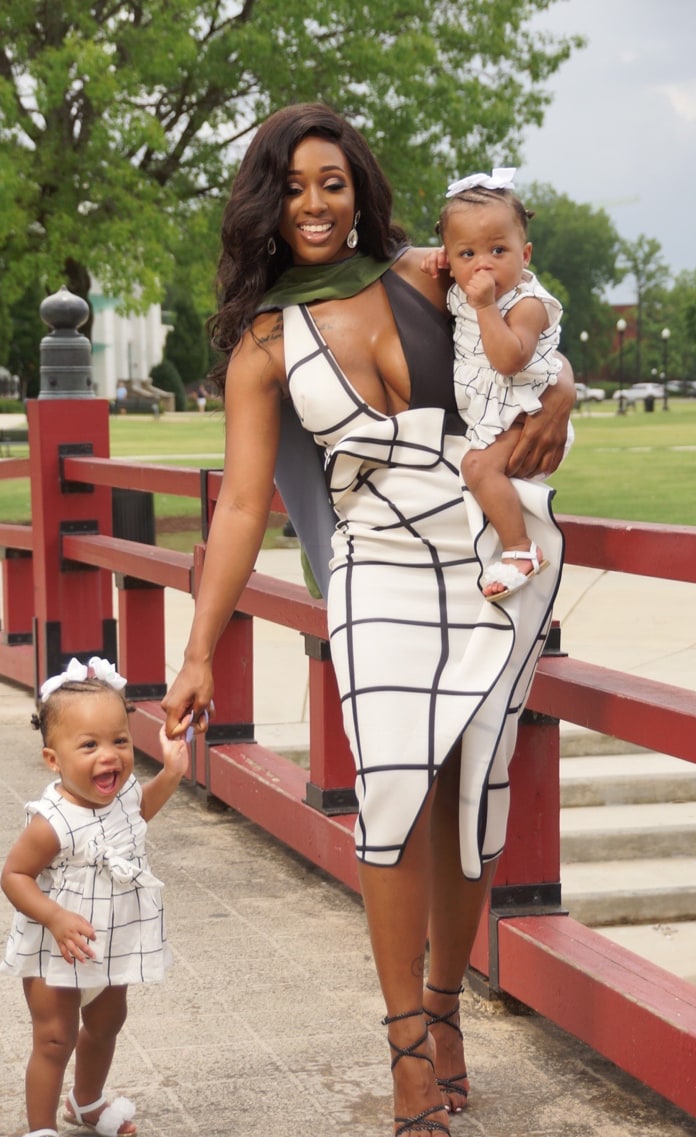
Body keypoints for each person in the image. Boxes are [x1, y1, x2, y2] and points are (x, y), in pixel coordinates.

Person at [161, 103, 574, 1137]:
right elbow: (245, 507)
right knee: (392, 791)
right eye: (293, 185)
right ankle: (402, 1046)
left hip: (495, 558)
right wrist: (199, 651)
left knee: (472, 797)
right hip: (377, 567)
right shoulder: (266, 339)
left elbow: (527, 326)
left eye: (331, 183)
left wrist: (560, 396)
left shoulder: (425, 271)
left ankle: (446, 1012)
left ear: (358, 192)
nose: (313, 203)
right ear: (267, 198)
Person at [1, 657, 191, 1137]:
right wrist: (55, 917)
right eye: (89, 745)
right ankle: (40, 1127)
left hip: (111, 938)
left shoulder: (123, 793)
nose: (110, 756)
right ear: (54, 759)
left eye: (120, 741)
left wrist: (171, 772)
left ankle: (86, 1103)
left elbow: (139, 812)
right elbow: (15, 874)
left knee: (107, 1022)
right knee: (53, 1037)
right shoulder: (53, 821)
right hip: (57, 944)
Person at [422, 168, 563, 602]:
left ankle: (521, 549)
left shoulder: (527, 305)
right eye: (467, 254)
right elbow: (457, 267)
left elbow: (508, 359)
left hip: (526, 413)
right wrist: (439, 262)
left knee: (477, 468)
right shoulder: (467, 286)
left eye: (498, 250)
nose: (483, 264)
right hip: (490, 415)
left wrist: (484, 305)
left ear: (526, 254)